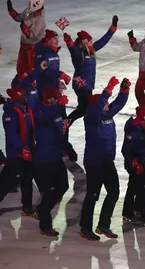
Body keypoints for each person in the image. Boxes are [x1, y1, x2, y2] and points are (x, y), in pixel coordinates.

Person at [80, 77, 129, 241]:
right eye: (104, 103)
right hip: (94, 163)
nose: (108, 105)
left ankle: (103, 224)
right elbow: (97, 108)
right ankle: (85, 228)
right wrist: (107, 91)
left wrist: (124, 91)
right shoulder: (91, 117)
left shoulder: (106, 113)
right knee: (92, 195)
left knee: (114, 192)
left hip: (107, 162)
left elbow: (118, 104)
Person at [33, 87, 77, 236]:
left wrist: (68, 149)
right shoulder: (40, 112)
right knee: (48, 192)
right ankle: (45, 224)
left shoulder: (55, 111)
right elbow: (46, 121)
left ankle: (43, 210)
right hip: (44, 160)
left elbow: (60, 135)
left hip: (55, 156)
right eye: (57, 98)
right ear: (52, 100)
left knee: (63, 186)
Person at [64, 16, 118, 124]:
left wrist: (113, 28)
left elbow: (103, 41)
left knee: (84, 108)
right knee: (84, 109)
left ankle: (66, 123)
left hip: (87, 85)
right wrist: (69, 42)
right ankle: (66, 123)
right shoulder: (79, 55)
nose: (92, 43)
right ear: (83, 43)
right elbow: (73, 51)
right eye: (90, 41)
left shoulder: (91, 51)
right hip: (81, 85)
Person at [0, 87, 37, 218]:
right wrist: (22, 149)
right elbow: (12, 135)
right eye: (23, 95)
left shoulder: (26, 109)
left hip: (28, 151)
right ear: (17, 97)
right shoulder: (11, 113)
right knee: (7, 182)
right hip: (16, 155)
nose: (26, 96)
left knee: (27, 180)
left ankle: (27, 208)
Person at [121, 105, 145, 223]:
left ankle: (129, 212)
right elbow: (126, 148)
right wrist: (133, 162)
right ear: (144, 116)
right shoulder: (135, 128)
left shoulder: (142, 126)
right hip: (135, 164)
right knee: (141, 187)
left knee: (133, 187)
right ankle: (143, 214)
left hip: (139, 162)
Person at [7, 0, 46, 75]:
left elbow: (33, 36)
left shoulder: (39, 20)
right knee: (20, 68)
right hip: (24, 45)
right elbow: (18, 18)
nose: (28, 3)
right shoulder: (28, 11)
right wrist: (11, 10)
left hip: (33, 47)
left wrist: (23, 27)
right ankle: (20, 84)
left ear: (35, 4)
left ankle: (30, 85)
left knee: (29, 69)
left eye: (30, 2)